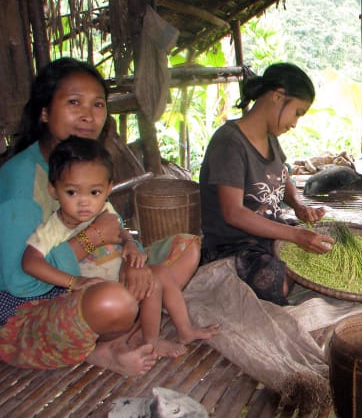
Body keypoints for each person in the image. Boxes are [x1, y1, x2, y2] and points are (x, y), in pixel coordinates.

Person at [0, 58, 199, 377]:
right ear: (45, 111)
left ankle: (122, 329)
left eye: (98, 105)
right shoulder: (21, 181)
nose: (88, 115)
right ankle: (105, 345)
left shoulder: (86, 166)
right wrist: (91, 241)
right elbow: (20, 281)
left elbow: (114, 228)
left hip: (96, 270)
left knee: (186, 248)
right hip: (30, 309)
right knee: (113, 303)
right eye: (74, 102)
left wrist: (131, 256)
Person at [21, 136, 217, 356]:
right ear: (53, 190)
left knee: (159, 272)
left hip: (123, 283)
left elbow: (120, 229)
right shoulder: (53, 228)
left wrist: (130, 244)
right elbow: (29, 262)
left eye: (94, 192)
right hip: (100, 305)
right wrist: (73, 281)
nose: (84, 201)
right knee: (152, 281)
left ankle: (184, 330)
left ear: (107, 189)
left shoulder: (104, 209)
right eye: (72, 192)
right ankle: (149, 341)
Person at [199, 63, 335, 306]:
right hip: (234, 244)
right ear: (277, 96)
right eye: (297, 113)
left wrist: (299, 206)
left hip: (271, 232)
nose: (295, 123)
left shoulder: (270, 138)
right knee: (278, 282)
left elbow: (282, 174)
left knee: (329, 244)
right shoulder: (229, 142)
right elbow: (233, 213)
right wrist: (294, 235)